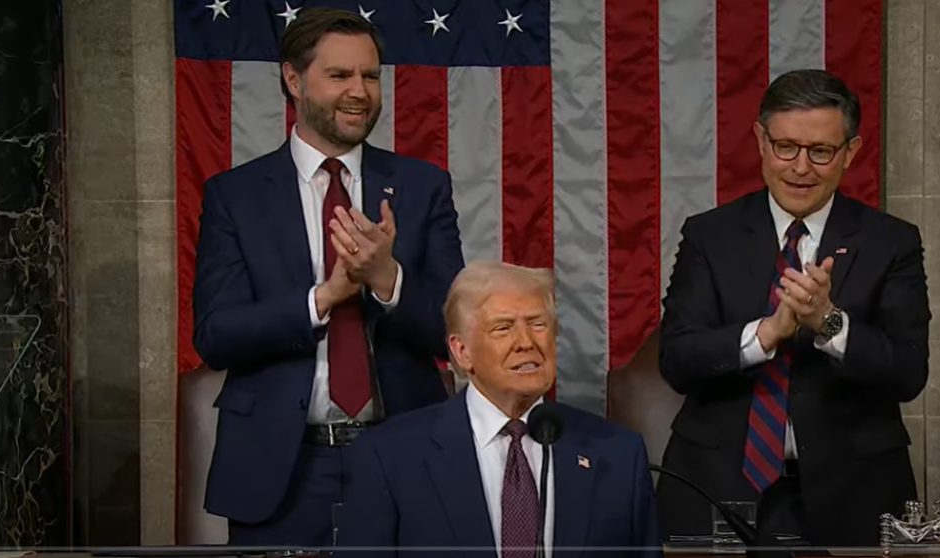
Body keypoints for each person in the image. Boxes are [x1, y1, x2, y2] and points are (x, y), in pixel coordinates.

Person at [191, 7, 465, 547]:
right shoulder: (236, 195)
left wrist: (388, 280)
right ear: (293, 80)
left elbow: (454, 334)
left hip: (403, 453)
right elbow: (216, 335)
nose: (359, 91)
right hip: (282, 469)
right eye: (339, 75)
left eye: (369, 75)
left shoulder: (421, 186)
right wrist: (324, 298)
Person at [656, 69, 929, 547]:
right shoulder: (709, 236)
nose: (800, 167)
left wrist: (830, 323)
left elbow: (908, 373)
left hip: (855, 491)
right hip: (717, 485)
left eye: (821, 151)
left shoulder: (892, 242)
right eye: (786, 146)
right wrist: (766, 332)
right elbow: (678, 360)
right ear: (761, 141)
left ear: (851, 152)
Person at [334, 261, 663, 558]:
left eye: (538, 324)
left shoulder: (617, 454)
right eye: (503, 328)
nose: (525, 342)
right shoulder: (389, 457)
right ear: (462, 352)